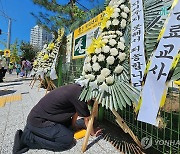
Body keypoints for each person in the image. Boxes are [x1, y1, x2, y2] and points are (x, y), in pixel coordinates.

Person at [13, 83, 102, 154]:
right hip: (39, 122)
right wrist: (93, 133)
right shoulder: (80, 96)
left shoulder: (77, 89)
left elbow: (76, 111)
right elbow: (87, 119)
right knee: (67, 141)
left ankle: (33, 131)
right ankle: (26, 138)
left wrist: (74, 126)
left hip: (38, 118)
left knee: (67, 127)